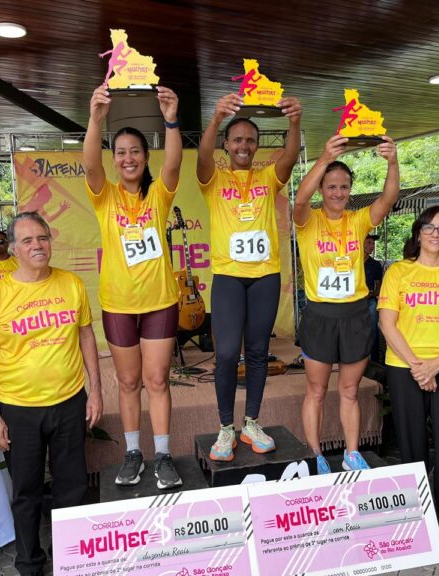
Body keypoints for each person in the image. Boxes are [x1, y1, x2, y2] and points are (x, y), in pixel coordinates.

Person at [0, 212, 103, 576]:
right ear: (13, 249)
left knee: (72, 487)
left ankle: (70, 558)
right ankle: (29, 564)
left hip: (68, 403)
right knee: (26, 492)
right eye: (28, 241)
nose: (37, 246)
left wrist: (95, 391)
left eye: (42, 238)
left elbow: (86, 336)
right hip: (19, 410)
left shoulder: (72, 284)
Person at [83, 84, 183, 488]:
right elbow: (89, 165)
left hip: (159, 301)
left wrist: (171, 119)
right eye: (120, 152)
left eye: (135, 151)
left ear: (145, 158)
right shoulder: (104, 197)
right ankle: (132, 453)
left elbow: (174, 165)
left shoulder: (158, 195)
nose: (128, 158)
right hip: (118, 304)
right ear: (115, 160)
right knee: (127, 382)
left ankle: (162, 455)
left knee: (157, 380)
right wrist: (95, 118)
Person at [197, 92, 302, 461]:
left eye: (250, 140)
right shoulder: (214, 179)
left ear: (257, 146)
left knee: (257, 353)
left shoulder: (267, 177)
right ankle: (226, 428)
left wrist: (294, 121)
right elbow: (202, 158)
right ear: (227, 144)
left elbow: (289, 158)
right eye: (237, 139)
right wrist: (215, 119)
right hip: (228, 277)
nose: (244, 146)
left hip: (264, 277)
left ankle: (251, 423)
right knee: (226, 354)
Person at [293, 134, 400, 473]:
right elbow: (298, 199)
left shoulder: (358, 221)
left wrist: (393, 161)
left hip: (355, 315)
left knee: (351, 390)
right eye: (331, 187)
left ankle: (352, 453)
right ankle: (317, 455)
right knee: (317, 390)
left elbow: (389, 197)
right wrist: (323, 159)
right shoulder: (307, 221)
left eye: (343, 187)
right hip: (320, 316)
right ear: (321, 189)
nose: (338, 193)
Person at [378, 206, 439, 553]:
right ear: (418, 232)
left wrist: (437, 364)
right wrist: (418, 367)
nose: (436, 234)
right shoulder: (398, 272)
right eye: (429, 227)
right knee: (411, 444)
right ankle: (414, 521)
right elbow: (387, 323)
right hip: (405, 365)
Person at [363, 233, 383, 362]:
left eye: (373, 244)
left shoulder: (375, 265)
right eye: (369, 243)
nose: (372, 246)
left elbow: (379, 288)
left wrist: (370, 295)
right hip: (351, 300)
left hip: (368, 299)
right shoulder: (350, 262)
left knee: (373, 324)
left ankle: (375, 359)